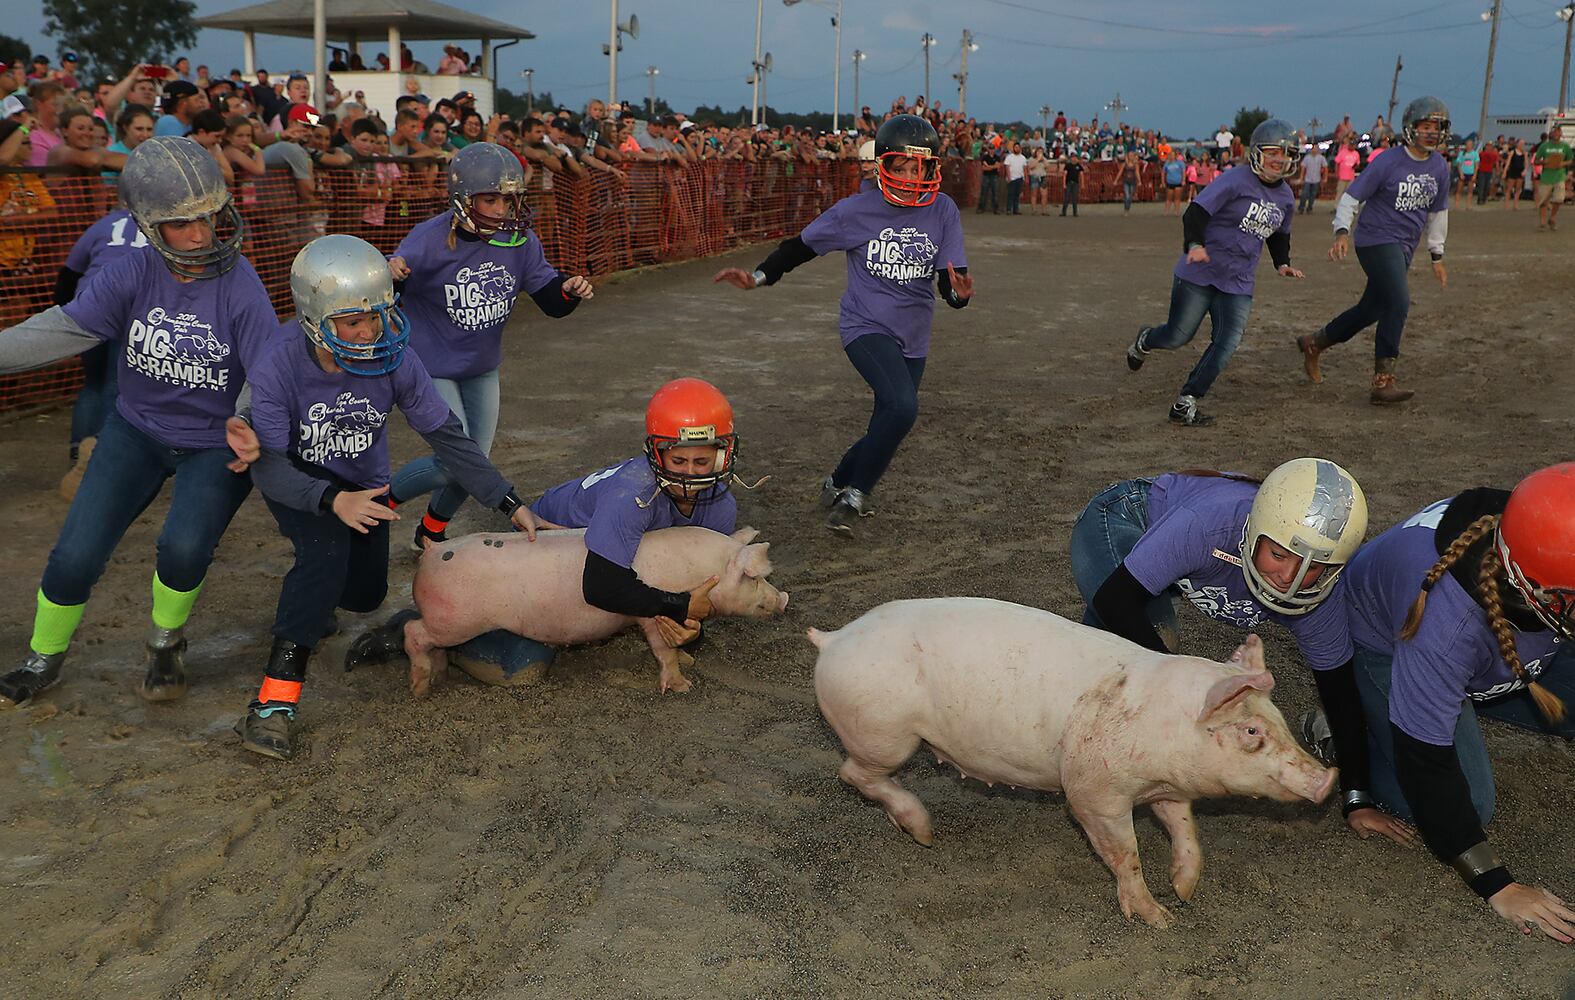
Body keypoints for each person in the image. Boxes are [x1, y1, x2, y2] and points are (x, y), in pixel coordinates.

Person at [0, 137, 275, 710]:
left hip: (212, 443)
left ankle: (165, 640)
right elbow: (64, 327)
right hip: (135, 430)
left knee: (183, 548)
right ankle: (43, 656)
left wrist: (247, 419)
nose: (201, 235)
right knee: (76, 553)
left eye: (208, 217)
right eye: (181, 224)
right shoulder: (131, 272)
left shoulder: (241, 284)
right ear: (148, 225)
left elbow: (266, 371)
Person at [240, 235, 540, 759]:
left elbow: (447, 436)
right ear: (315, 317)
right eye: (352, 321)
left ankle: (318, 602)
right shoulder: (277, 363)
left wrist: (509, 502)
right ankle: (272, 706)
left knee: (365, 596)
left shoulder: (394, 357)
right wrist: (331, 502)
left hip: (364, 482)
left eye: (377, 315)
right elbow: (268, 466)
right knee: (322, 558)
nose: (369, 331)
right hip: (302, 479)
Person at [1308, 464, 1575, 943]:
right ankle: (1346, 734)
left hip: (1482, 646)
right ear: (1528, 583)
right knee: (1470, 801)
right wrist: (1497, 884)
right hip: (1384, 643)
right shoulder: (1446, 625)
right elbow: (1425, 759)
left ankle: (1459, 696)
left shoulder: (1544, 525)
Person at [1069, 461, 1381, 823]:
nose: (1288, 580)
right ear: (1253, 530)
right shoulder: (1207, 528)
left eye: (1310, 568)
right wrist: (1182, 682)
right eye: (1279, 555)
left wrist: (1358, 797)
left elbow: (1339, 688)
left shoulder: (1319, 591)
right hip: (1129, 516)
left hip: (1184, 547)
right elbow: (1115, 598)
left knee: (1140, 651)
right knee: (1142, 647)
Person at [712, 115, 972, 538]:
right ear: (881, 166)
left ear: (931, 168)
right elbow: (801, 247)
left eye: (918, 168)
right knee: (903, 407)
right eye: (901, 167)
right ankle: (855, 495)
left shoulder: (943, 210)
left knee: (888, 420)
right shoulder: (857, 209)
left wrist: (960, 294)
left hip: (914, 334)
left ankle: (835, 481)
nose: (910, 177)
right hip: (865, 326)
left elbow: (951, 281)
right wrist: (759, 276)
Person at [385, 142, 595, 549]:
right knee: (457, 462)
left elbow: (550, 300)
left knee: (474, 461)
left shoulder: (519, 241)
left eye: (509, 199)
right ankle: (384, 499)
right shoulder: (428, 239)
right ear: (464, 199)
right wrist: (392, 274)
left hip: (481, 366)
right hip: (431, 365)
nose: (502, 209)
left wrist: (567, 290)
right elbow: (388, 287)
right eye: (491, 199)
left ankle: (430, 529)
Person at [1125, 119, 1302, 427]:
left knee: (1227, 341)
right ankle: (1145, 340)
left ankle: (1187, 400)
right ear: (1257, 152)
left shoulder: (1285, 197)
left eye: (1285, 154)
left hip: (1239, 280)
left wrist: (1281, 263)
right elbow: (1196, 212)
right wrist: (1194, 243)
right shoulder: (1235, 180)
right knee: (1178, 336)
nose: (1279, 159)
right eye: (1273, 151)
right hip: (1200, 272)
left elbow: (1278, 233)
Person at [1296, 97, 1451, 406]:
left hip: (1405, 245)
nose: (1431, 133)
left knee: (1372, 309)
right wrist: (1342, 232)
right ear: (1410, 129)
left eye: (1436, 127)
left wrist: (1437, 255)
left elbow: (1438, 213)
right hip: (1375, 239)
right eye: (1424, 126)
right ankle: (1383, 380)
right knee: (1399, 300)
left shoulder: (1439, 167)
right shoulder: (1388, 161)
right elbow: (1351, 197)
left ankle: (1315, 342)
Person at [53, 206, 151, 500]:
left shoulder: (104, 224)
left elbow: (69, 273)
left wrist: (66, 312)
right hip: (129, 311)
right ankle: (100, 453)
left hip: (88, 307)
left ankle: (78, 448)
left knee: (93, 384)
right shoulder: (162, 227)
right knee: (115, 386)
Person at [1533, 125, 1569, 232]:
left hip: (1559, 175)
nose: (1557, 134)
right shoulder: (1544, 146)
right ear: (1551, 134)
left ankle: (1552, 217)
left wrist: (1562, 163)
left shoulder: (1565, 146)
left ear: (1561, 134)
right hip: (1546, 176)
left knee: (1559, 199)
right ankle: (1542, 222)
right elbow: (1536, 160)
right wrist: (1544, 162)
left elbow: (1571, 160)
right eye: (1555, 132)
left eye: (1559, 132)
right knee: (1544, 200)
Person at [1297, 143, 1324, 214]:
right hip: (1307, 179)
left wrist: (1325, 177)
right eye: (1313, 148)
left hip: (1316, 179)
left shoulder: (1321, 158)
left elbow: (1325, 167)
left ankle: (1309, 208)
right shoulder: (1307, 157)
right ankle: (1301, 208)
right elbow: (1303, 168)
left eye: (1316, 148)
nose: (1315, 150)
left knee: (1313, 195)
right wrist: (1301, 177)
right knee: (1304, 194)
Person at [1003, 141, 1027, 215]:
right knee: (1010, 194)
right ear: (1013, 148)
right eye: (1015, 147)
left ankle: (1016, 209)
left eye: (1018, 147)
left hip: (1020, 178)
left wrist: (1026, 178)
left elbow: (1025, 169)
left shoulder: (1023, 158)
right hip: (1012, 178)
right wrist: (1009, 177)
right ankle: (1009, 209)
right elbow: (1007, 167)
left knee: (1017, 195)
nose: (1017, 149)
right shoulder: (1009, 157)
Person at [1503, 138, 1527, 208]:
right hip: (1512, 171)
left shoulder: (1524, 153)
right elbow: (1508, 162)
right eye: (1520, 143)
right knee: (1509, 189)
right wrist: (1505, 172)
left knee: (1518, 189)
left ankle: (1515, 205)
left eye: (1523, 144)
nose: (1521, 145)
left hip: (1520, 172)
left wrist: (1525, 170)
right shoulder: (1512, 152)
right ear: (1517, 144)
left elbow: (1526, 163)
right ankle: (1506, 204)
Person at [1061, 150, 1085, 216]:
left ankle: (1075, 212)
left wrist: (1082, 184)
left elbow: (1082, 175)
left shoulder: (1079, 166)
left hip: (1075, 183)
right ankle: (1063, 212)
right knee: (1067, 198)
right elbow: (1065, 175)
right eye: (1072, 157)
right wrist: (1064, 184)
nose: (1074, 159)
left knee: (1075, 198)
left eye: (1075, 158)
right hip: (1068, 183)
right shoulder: (1068, 166)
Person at [1162, 152, 1185, 216]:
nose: (1171, 156)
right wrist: (1163, 182)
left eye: (1172, 155)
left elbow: (1183, 172)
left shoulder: (1180, 163)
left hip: (1178, 182)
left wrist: (1183, 180)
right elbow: (1163, 173)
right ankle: (1166, 211)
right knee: (1169, 198)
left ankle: (1177, 211)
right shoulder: (1167, 163)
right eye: (1170, 155)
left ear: (1175, 156)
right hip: (1170, 182)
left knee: (1177, 198)